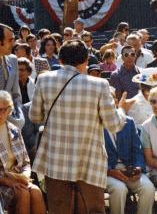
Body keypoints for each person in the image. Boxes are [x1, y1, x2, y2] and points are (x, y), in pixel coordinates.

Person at [30, 39, 129, 213]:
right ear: (85, 61)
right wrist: (121, 110)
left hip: (55, 159)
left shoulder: (44, 80)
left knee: (58, 210)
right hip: (90, 159)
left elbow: (35, 116)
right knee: (94, 210)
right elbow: (113, 125)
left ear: (60, 60)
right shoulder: (99, 84)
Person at [0, 91, 46, 214]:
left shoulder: (14, 130)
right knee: (23, 194)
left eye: (2, 110)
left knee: (36, 192)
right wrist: (7, 181)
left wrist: (25, 175)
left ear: (9, 110)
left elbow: (26, 162)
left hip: (18, 179)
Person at [105, 92, 155, 214]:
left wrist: (138, 168)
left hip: (129, 169)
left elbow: (137, 149)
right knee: (119, 189)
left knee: (148, 188)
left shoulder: (129, 122)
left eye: (111, 99)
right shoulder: (94, 123)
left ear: (116, 102)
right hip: (107, 172)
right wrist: (109, 171)